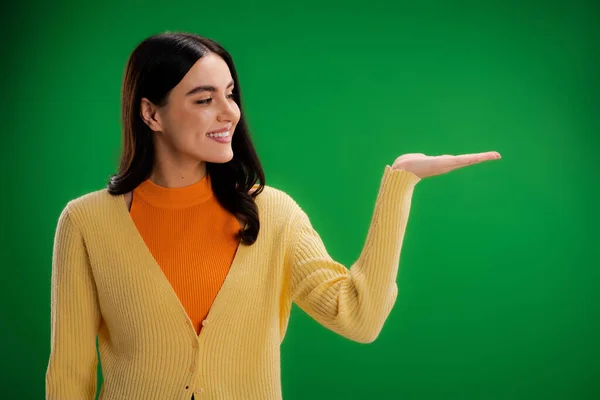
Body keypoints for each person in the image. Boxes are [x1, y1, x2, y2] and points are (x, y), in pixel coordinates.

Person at [45, 31, 501, 400]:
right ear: (151, 114)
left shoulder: (273, 213)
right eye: (204, 99)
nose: (229, 113)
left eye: (229, 94)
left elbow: (358, 318)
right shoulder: (87, 223)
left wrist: (400, 183)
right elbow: (70, 375)